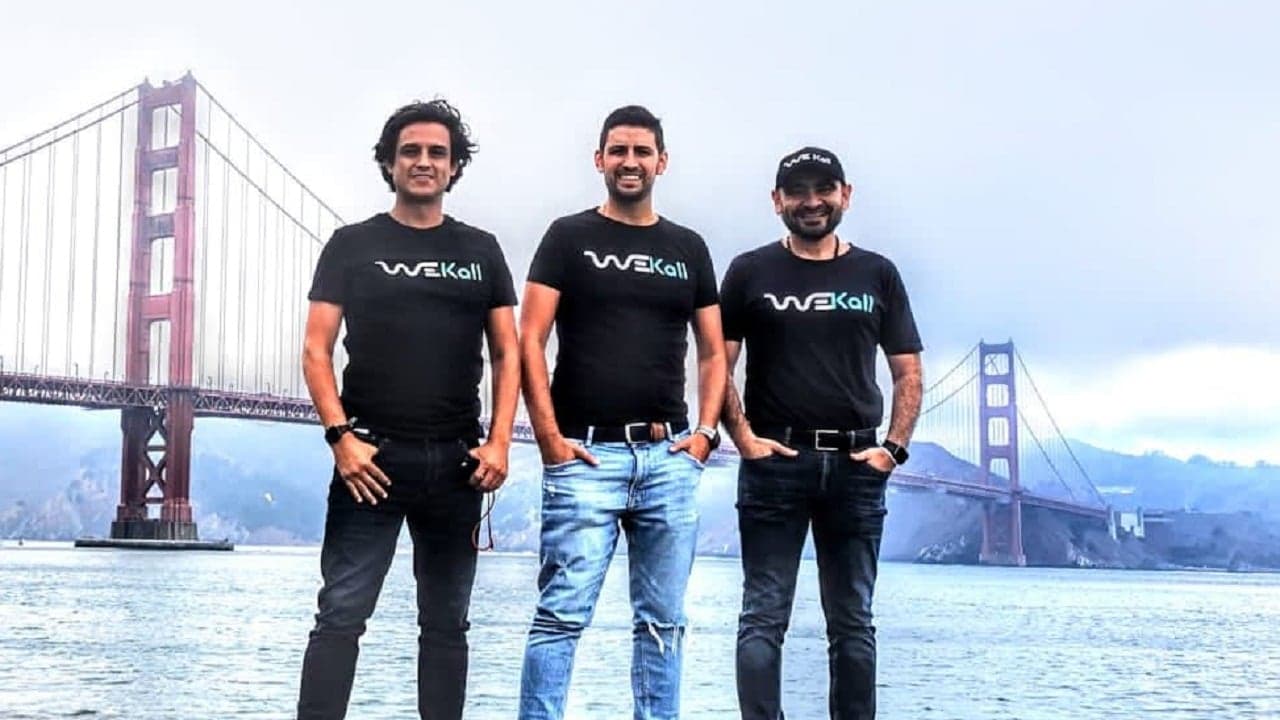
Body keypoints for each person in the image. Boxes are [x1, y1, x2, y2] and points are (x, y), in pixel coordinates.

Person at [295, 99, 519, 720]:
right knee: (340, 615)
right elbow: (315, 349)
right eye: (410, 151)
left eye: (437, 153)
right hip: (370, 460)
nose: (424, 162)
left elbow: (508, 353)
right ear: (389, 164)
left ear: (454, 167)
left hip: (458, 465)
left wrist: (500, 442)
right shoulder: (352, 245)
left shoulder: (481, 249)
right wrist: (341, 439)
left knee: (447, 623)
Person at [516, 105, 727, 720]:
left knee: (664, 622)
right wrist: (549, 439)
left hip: (669, 458)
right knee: (560, 616)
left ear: (662, 161)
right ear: (599, 159)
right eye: (618, 151)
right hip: (584, 456)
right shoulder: (567, 237)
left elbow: (714, 351)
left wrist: (705, 435)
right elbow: (530, 339)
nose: (629, 162)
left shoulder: (688, 248)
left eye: (641, 152)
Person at [719, 147, 924, 720]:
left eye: (824, 189)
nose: (811, 202)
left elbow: (908, 372)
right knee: (763, 618)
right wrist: (744, 438)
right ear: (777, 200)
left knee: (853, 623)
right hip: (774, 463)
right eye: (798, 191)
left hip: (858, 464)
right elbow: (716, 364)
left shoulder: (878, 273)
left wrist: (893, 449)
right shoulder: (748, 271)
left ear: (846, 195)